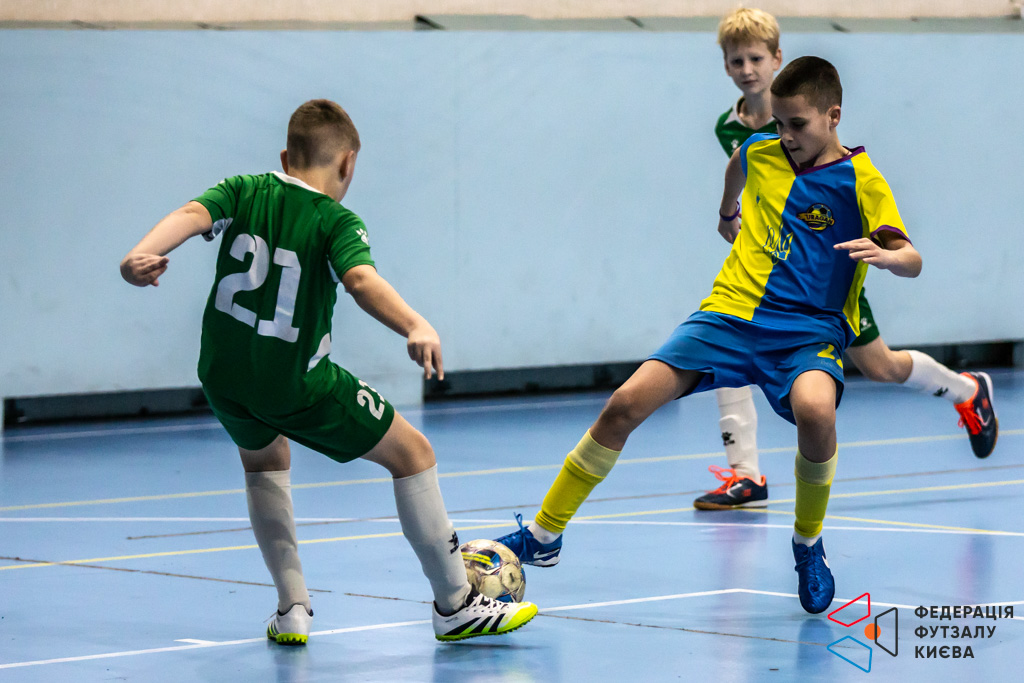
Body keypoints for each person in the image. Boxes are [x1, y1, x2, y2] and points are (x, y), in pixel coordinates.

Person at [496, 56, 934, 614]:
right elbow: (737, 163)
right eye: (779, 123)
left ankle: (807, 543)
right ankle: (544, 535)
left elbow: (912, 258)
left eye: (798, 124)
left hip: (808, 330)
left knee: (816, 412)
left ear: (833, 116)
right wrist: (727, 213)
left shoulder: (863, 181)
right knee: (624, 403)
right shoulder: (760, 150)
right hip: (728, 315)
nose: (786, 135)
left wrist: (892, 258)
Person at [120, 99, 537, 643]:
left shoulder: (241, 189)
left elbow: (188, 215)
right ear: (348, 163)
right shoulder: (335, 220)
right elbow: (361, 281)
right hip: (296, 383)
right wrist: (415, 324)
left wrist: (139, 256)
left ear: (284, 157)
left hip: (222, 376)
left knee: (265, 463)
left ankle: (292, 609)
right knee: (413, 454)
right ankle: (456, 604)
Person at [695, 8, 998, 511]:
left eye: (756, 59)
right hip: (772, 269)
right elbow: (745, 173)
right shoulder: (731, 128)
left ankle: (965, 390)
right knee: (728, 344)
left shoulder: (807, 118)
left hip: (828, 272)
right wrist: (730, 214)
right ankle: (745, 475)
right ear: (725, 65)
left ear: (777, 59)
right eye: (736, 61)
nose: (746, 69)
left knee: (880, 366)